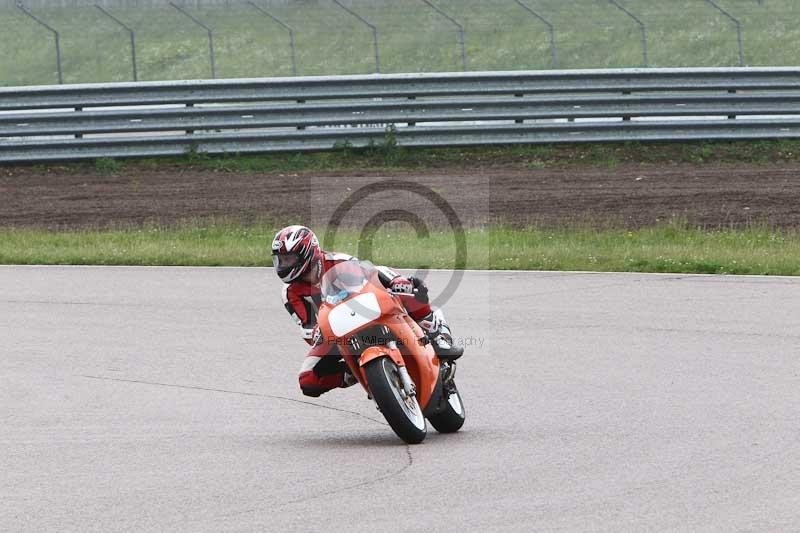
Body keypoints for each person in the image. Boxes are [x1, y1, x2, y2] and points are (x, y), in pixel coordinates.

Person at [272, 224, 463, 398]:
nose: (283, 266)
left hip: (368, 309)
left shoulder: (339, 261)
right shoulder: (289, 293)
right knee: (307, 380)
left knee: (410, 286)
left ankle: (437, 333)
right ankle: (352, 373)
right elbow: (306, 325)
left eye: (288, 259)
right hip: (335, 333)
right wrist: (316, 333)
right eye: (280, 260)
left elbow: (371, 275)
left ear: (307, 253)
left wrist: (395, 284)